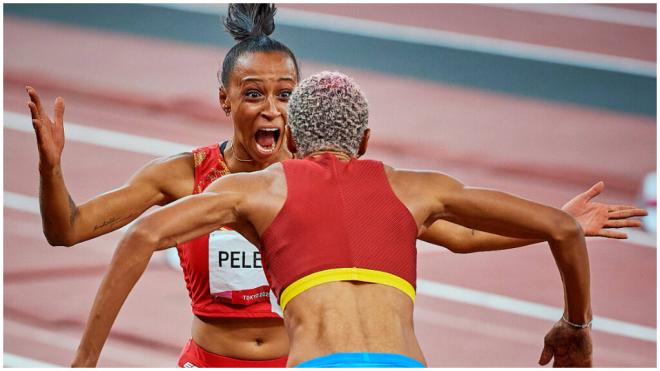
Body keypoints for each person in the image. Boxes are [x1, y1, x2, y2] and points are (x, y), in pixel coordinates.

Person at [25, 4, 646, 368]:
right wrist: (53, 171)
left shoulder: (317, 189)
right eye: (253, 95)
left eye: (284, 97)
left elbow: (455, 234)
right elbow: (69, 230)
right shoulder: (187, 177)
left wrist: (548, 225)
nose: (270, 110)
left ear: (298, 113)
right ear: (224, 100)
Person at [103, 71, 600, 367]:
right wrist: (574, 324)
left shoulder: (259, 188)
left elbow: (143, 233)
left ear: (292, 141)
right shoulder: (416, 188)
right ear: (364, 141)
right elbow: (561, 230)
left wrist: (83, 364)